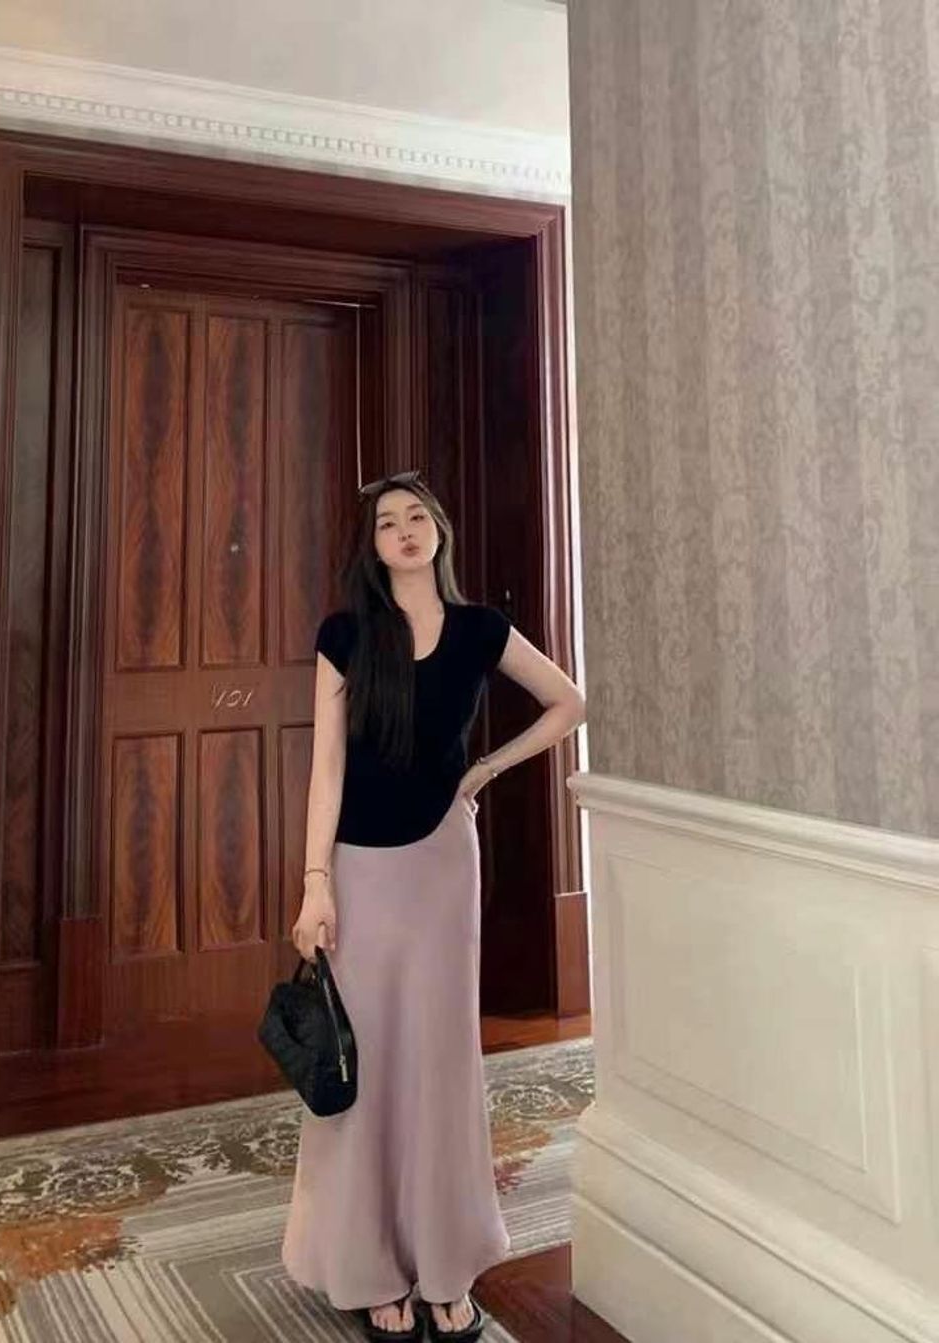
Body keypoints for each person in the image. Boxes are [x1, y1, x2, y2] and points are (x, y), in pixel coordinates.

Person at [280, 469, 586, 1342]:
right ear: (373, 546)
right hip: (359, 869)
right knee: (369, 1060)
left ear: (440, 532)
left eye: (418, 516)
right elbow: (328, 768)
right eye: (388, 522)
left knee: (443, 1058)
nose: (406, 530)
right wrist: (314, 881)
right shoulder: (345, 635)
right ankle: (370, 1265)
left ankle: (446, 1264)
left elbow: (570, 702)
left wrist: (483, 770)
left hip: (443, 864)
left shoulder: (482, 628)